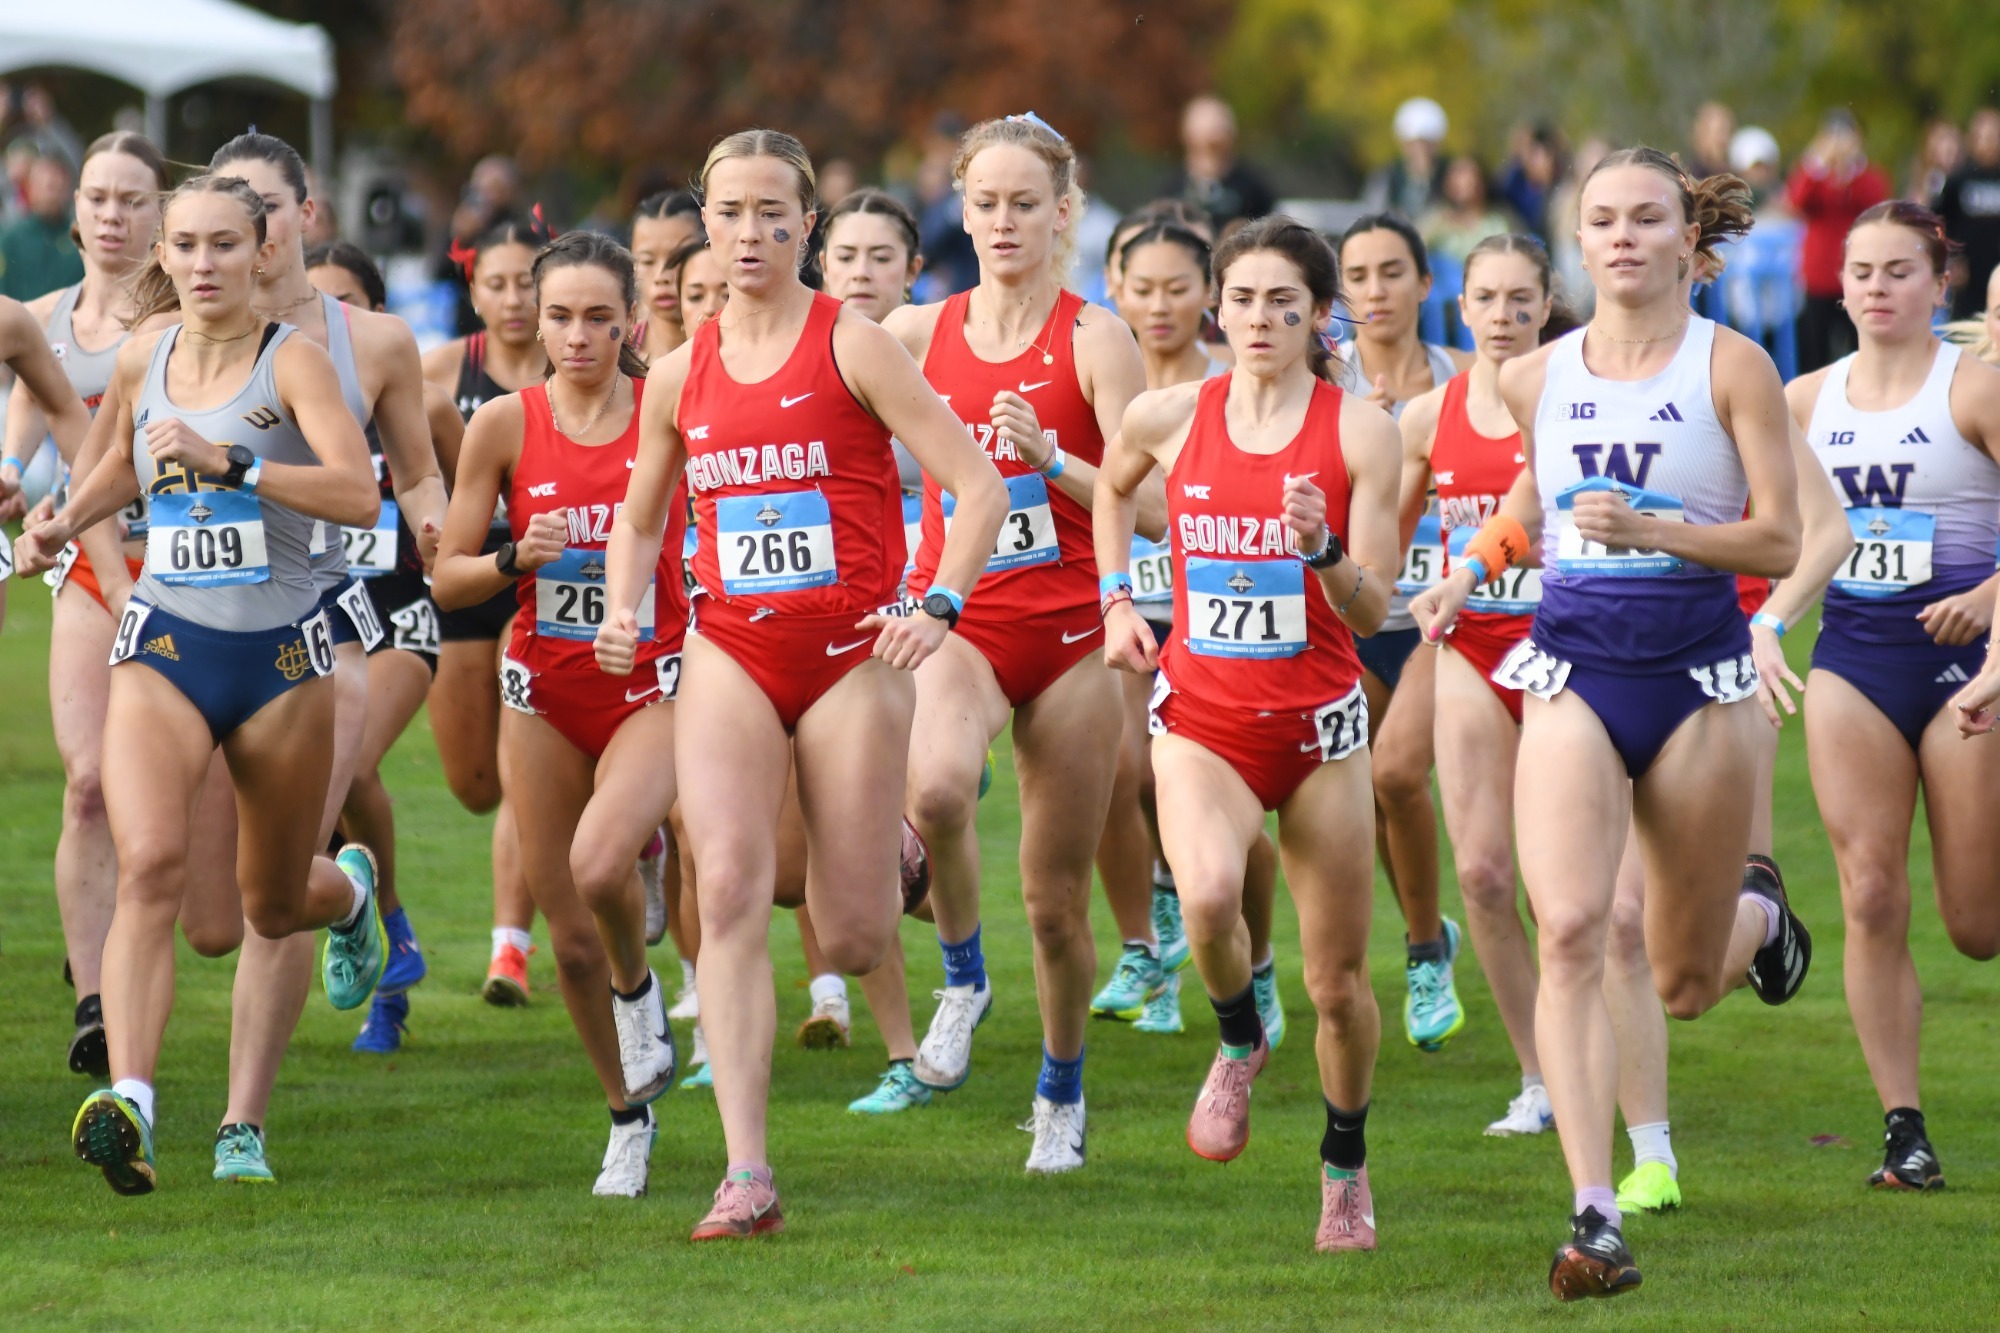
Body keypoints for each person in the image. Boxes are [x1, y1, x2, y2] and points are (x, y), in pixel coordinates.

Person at [1409, 147, 1809, 1299]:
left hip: (1695, 675)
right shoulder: (1535, 376)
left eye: (1647, 219)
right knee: (1574, 928)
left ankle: (1759, 921)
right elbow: (1531, 500)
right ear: (1576, 242)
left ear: (1687, 242)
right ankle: (1593, 1216)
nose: (1623, 236)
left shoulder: (1730, 366)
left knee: (1679, 977)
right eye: (1602, 220)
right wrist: (1469, 568)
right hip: (1573, 663)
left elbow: (1780, 542)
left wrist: (1658, 533)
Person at [601, 128, 1004, 1237]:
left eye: (772, 213)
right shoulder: (679, 375)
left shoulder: (855, 347)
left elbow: (975, 487)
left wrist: (937, 604)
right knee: (727, 885)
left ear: (806, 225)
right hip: (732, 649)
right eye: (727, 213)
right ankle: (746, 1173)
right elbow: (641, 514)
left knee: (858, 935)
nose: (748, 234)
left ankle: (895, 856)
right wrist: (628, 607)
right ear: (704, 221)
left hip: (853, 657)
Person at [13, 174, 387, 1197]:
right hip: (167, 642)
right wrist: (55, 518)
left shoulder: (294, 365)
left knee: (271, 903)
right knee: (153, 865)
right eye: (188, 245)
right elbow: (113, 467)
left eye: (227, 243)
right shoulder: (146, 353)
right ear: (163, 258)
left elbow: (358, 494)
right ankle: (129, 1100)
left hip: (278, 663)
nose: (207, 263)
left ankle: (349, 895)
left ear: (264, 249)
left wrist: (237, 467)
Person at [1096, 213, 1401, 1251]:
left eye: (1285, 301)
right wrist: (1114, 602)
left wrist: (1320, 552)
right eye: (1242, 299)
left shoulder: (1359, 431)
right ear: (1215, 310)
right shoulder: (1170, 414)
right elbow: (1108, 480)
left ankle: (1344, 1166)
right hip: (1202, 720)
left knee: (1336, 981)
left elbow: (1372, 611)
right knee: (1213, 894)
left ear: (1321, 315)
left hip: (1320, 731)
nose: (1260, 318)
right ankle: (1236, 1039)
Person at [888, 113, 1146, 1172]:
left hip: (1074, 632)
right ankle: (959, 972)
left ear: (1060, 213)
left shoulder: (1095, 338)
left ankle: (1060, 1085)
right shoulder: (917, 334)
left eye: (1022, 203)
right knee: (939, 792)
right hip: (966, 615)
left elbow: (1157, 502)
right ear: (960, 206)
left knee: (1051, 902)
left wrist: (1055, 463)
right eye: (983, 202)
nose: (1000, 221)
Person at [203, 131, 448, 1183]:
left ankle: (238, 1124)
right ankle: (350, 898)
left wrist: (441, 535)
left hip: (342, 624)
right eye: (227, 211)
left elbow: (419, 477)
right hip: (212, 623)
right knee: (218, 910)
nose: (247, 232)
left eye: (264, 207)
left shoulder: (374, 342)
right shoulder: (181, 336)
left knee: (296, 829)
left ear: (303, 216)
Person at [434, 229, 688, 1197]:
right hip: (540, 690)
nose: (576, 335)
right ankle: (627, 1114)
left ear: (629, 320)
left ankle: (642, 977)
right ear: (531, 321)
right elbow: (450, 578)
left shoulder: (668, 408)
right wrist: (512, 560)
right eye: (558, 317)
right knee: (570, 936)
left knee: (597, 860)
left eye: (596, 317)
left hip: (648, 683)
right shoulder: (504, 424)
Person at [1784, 201, 2000, 1192]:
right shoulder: (1801, 402)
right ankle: (1901, 1131)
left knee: (1973, 925)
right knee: (1867, 893)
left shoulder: (1976, 392)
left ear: (1937, 283)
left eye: (1897, 271)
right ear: (1840, 286)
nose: (1875, 287)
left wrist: (1984, 595)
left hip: (1967, 673)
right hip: (1853, 664)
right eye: (1860, 271)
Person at [1095, 214, 1287, 1042]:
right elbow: (1103, 497)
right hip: (1129, 608)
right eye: (1143, 289)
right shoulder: (1101, 379)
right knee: (1125, 775)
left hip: (1217, 613)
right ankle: (1149, 944)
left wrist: (1055, 465)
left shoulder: (1229, 383)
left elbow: (1151, 509)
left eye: (1179, 287)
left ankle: (1260, 956)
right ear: (1114, 288)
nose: (1161, 304)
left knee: (1227, 806)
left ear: (1209, 294)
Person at [1395, 233, 1559, 1135]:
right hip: (1468, 650)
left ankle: (1594, 1059)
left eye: (1520, 300)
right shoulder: (1429, 417)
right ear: (1461, 309)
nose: (1502, 317)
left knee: (1564, 889)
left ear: (1546, 306)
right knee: (1486, 873)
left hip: (1567, 652)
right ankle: (1537, 1077)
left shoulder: (1571, 400)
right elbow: (1378, 526)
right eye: (1487, 300)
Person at [304, 241, 468, 1053]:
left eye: (349, 303)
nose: (331, 319)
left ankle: (389, 921)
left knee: (351, 764)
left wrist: (451, 536)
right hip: (313, 618)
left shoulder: (420, 401)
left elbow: (471, 488)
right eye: (316, 302)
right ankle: (383, 954)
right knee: (312, 792)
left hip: (400, 615)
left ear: (376, 314)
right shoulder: (282, 401)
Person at [1335, 214, 1470, 1052]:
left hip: (1437, 617)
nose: (1376, 290)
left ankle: (1425, 953)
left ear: (1426, 284)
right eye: (1358, 275)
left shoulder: (1463, 379)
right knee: (1376, 801)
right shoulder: (1324, 384)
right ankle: (1431, 931)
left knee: (1395, 776)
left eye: (1393, 272)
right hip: (1351, 615)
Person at [421, 217, 553, 1005]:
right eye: (497, 283)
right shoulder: (438, 373)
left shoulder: (584, 364)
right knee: (475, 782)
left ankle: (510, 948)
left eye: (530, 281)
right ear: (472, 290)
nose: (514, 299)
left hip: (546, 581)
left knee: (519, 758)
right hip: (463, 581)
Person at [1787, 109, 1892, 371]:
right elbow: (1798, 199)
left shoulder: (1868, 176)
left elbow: (1875, 204)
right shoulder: (1815, 175)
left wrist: (1849, 171)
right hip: (1819, 279)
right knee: (1814, 352)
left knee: (1861, 348)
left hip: (1858, 276)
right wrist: (1819, 163)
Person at [1158, 96, 1276, 234]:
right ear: (1186, 133)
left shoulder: (1253, 188)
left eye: (1219, 127)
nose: (1213, 136)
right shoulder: (1172, 190)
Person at [1937, 108, 2000, 320]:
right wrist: (1952, 258)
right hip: (1969, 277)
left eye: (1995, 136)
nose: (1990, 143)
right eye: (1984, 136)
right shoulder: (1959, 180)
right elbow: (1939, 221)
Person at [0, 153, 84, 300]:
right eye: (46, 186)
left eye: (57, 186)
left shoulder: (80, 240)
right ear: (31, 188)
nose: (51, 195)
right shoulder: (10, 239)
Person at [632, 190, 703, 362]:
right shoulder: (617, 354)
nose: (661, 275)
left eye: (678, 258)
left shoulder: (737, 352)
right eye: (648, 261)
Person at [1420, 155, 1519, 265]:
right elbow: (1417, 250)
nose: (1463, 181)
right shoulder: (1436, 222)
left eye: (1468, 174)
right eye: (1456, 175)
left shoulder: (1499, 221)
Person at [1365, 98, 1450, 222]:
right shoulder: (1385, 177)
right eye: (1415, 144)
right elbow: (1372, 213)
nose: (1421, 150)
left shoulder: (1449, 177)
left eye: (1427, 144)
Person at [1686, 102, 1737, 181]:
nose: (1724, 140)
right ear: (1702, 135)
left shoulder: (1732, 175)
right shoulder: (1692, 179)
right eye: (1720, 132)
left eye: (1729, 132)